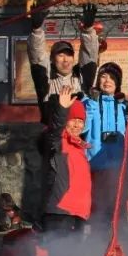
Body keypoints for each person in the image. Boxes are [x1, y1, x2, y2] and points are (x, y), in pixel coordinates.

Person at [28, 4, 99, 122]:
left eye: (69, 55)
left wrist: (88, 30)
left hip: (78, 135)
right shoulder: (45, 80)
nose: (65, 60)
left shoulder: (82, 78)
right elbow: (37, 56)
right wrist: (37, 31)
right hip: (53, 136)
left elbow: (90, 54)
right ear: (52, 59)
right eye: (60, 55)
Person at [82, 62, 128, 225]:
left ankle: (119, 246)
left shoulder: (123, 106)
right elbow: (83, 127)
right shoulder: (89, 102)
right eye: (103, 76)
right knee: (98, 212)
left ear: (117, 83)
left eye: (112, 78)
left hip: (118, 168)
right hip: (96, 165)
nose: (107, 80)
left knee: (118, 212)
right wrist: (92, 105)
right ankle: (97, 246)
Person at [42, 86, 92, 233]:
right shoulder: (59, 142)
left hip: (79, 213)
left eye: (80, 121)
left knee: (73, 255)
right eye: (73, 120)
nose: (77, 125)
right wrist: (62, 111)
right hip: (60, 212)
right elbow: (55, 131)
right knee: (59, 254)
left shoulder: (80, 147)